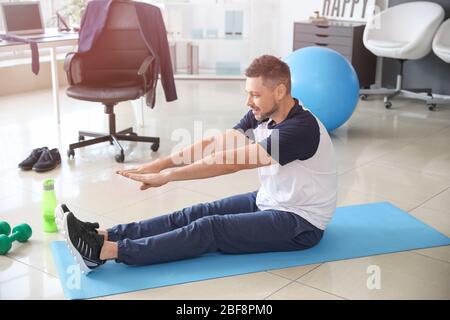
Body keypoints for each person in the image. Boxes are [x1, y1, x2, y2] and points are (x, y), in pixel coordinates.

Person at [60, 55, 337, 274]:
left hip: (299, 222)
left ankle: (103, 253)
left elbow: (231, 163)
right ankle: (103, 234)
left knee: (210, 228)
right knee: (195, 212)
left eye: (254, 94)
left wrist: (170, 176)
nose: (248, 101)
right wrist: (162, 163)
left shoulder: (300, 129)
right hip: (272, 199)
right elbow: (216, 144)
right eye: (247, 93)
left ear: (279, 91)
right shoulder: (263, 112)